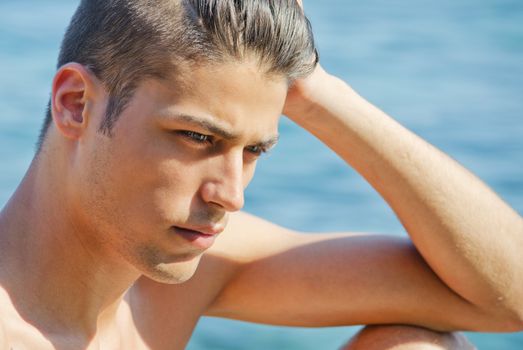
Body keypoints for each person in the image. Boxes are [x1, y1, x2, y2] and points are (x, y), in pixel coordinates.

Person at [0, 0, 521, 349]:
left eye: (253, 151)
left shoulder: (174, 275)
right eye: (198, 138)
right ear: (75, 105)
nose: (231, 196)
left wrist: (317, 92)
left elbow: (504, 298)